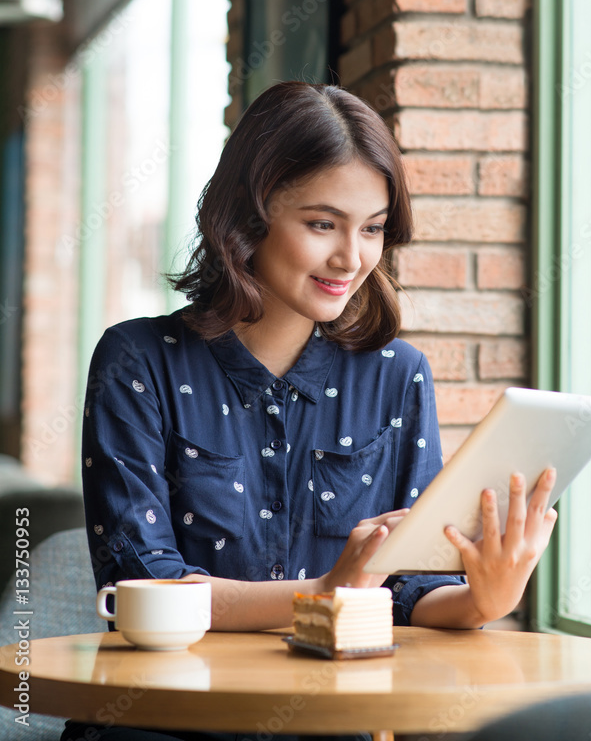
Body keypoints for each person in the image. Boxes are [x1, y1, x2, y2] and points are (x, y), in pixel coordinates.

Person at [61, 82, 557, 741]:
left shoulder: (395, 376)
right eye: (322, 224)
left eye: (373, 229)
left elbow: (402, 588)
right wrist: (323, 590)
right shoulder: (138, 361)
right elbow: (140, 586)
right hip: (161, 721)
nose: (351, 258)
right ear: (249, 216)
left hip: (327, 723)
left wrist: (483, 597)